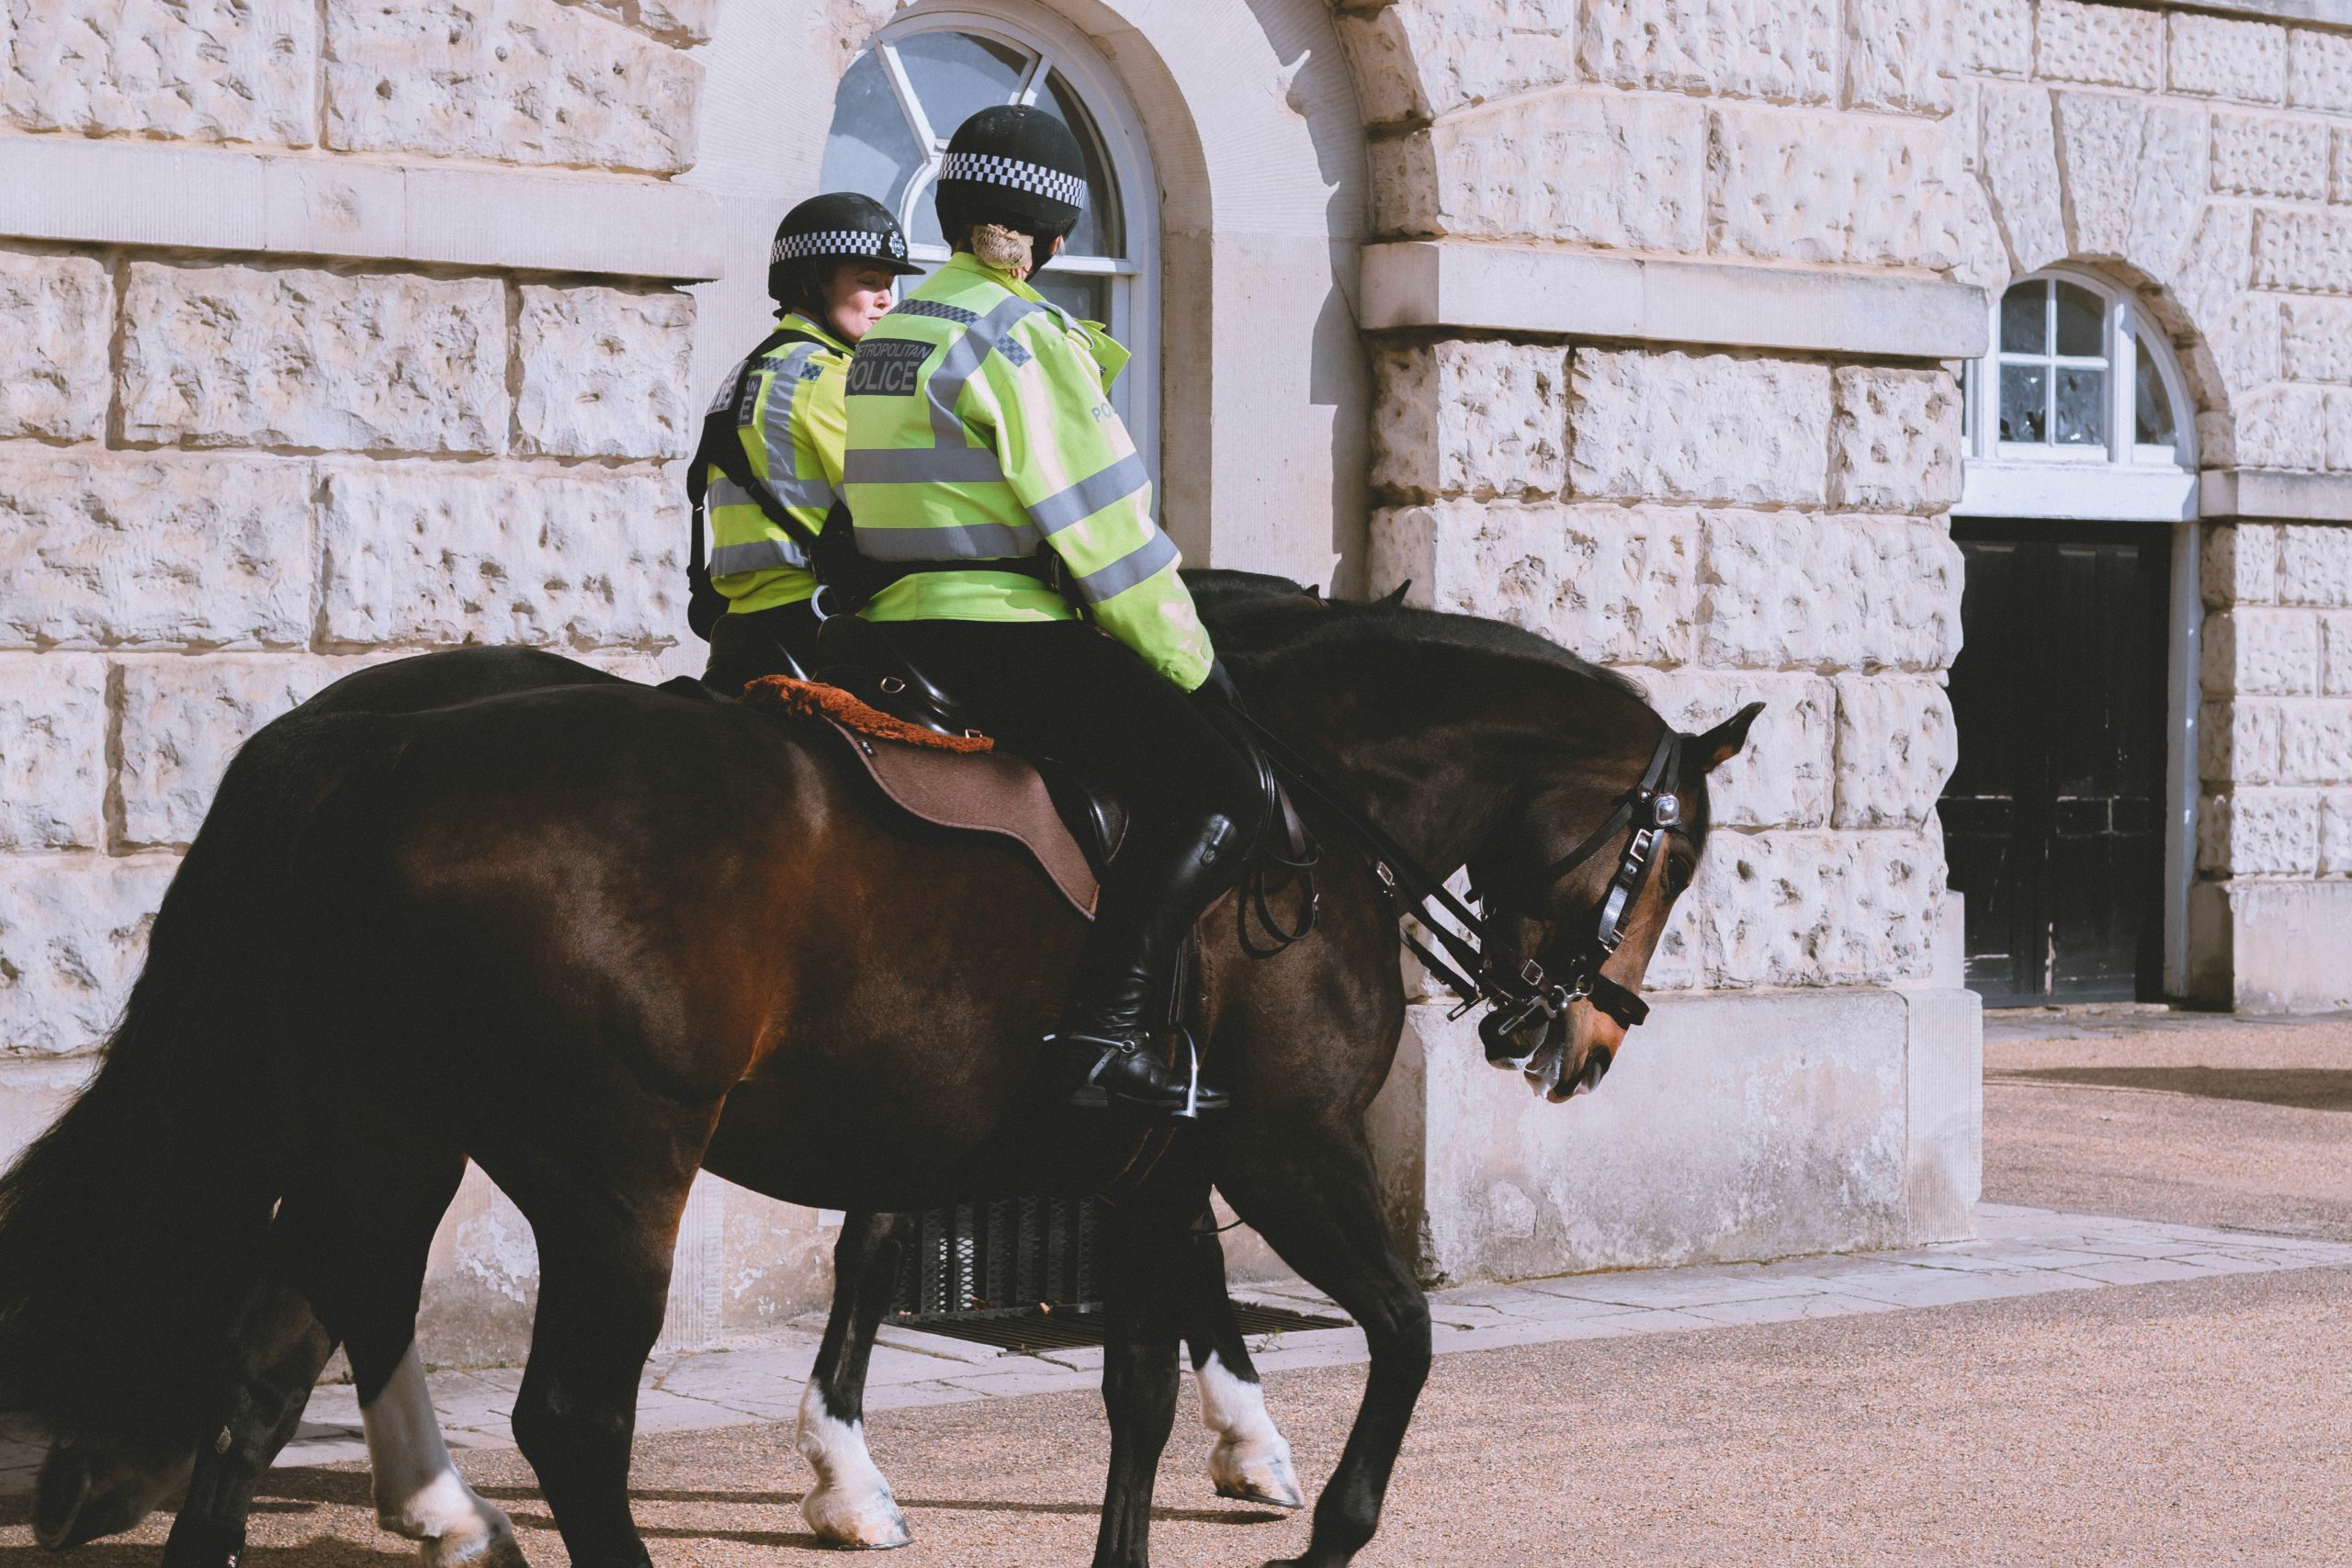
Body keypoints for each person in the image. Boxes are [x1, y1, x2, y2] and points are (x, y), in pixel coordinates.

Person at [842, 105, 1269, 1121]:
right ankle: (1103, 1036)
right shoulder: (1021, 338)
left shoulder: (889, 336)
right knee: (1221, 785)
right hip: (1001, 630)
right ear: (1045, 237)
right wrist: (1196, 669)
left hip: (893, 627)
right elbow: (1109, 540)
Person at [694, 192, 922, 694]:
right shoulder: (831, 377)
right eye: (868, 282)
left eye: (889, 283)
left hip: (743, 626)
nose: (887, 299)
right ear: (810, 283)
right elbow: (897, 510)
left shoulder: (743, 373)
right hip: (818, 624)